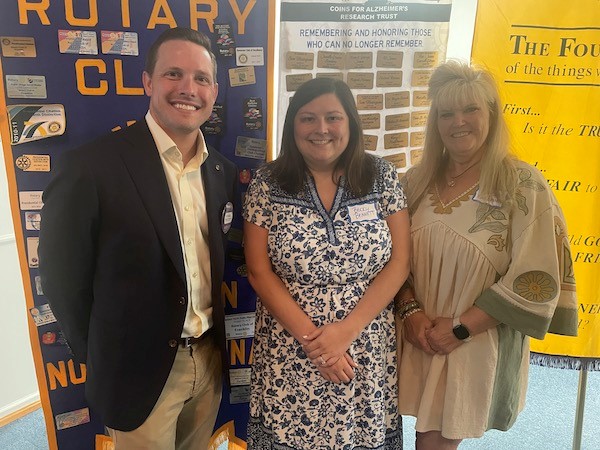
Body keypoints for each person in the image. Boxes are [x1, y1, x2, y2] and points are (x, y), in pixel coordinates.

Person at [38, 27, 237, 450]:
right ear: (147, 81)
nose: (188, 89)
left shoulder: (219, 171)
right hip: (137, 373)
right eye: (173, 74)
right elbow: (62, 280)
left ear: (214, 91)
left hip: (208, 360)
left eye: (201, 78)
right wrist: (105, 357)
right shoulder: (91, 167)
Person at [396, 60, 578, 450]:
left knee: (435, 441)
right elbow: (390, 256)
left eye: (470, 109)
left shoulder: (522, 184)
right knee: (416, 435)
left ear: (492, 114)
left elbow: (537, 274)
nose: (458, 121)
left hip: (473, 339)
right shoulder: (415, 181)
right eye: (446, 113)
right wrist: (410, 312)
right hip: (418, 332)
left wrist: (460, 327)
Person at [243, 77, 410, 449]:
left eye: (333, 117)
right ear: (293, 126)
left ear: (350, 123)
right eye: (308, 118)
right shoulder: (267, 183)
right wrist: (317, 345)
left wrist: (346, 332)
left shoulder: (381, 177)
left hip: (364, 344)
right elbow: (258, 270)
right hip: (290, 347)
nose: (321, 129)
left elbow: (399, 262)